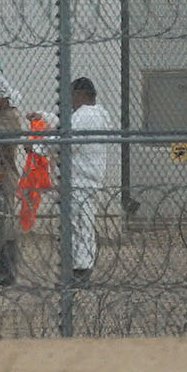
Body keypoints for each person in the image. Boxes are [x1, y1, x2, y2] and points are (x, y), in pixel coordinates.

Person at [62, 76, 116, 281]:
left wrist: (40, 147)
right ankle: (79, 267)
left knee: (81, 225)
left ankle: (81, 271)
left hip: (81, 180)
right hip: (86, 179)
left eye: (70, 95)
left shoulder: (85, 115)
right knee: (81, 224)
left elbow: (68, 142)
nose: (68, 101)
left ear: (80, 95)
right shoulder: (95, 114)